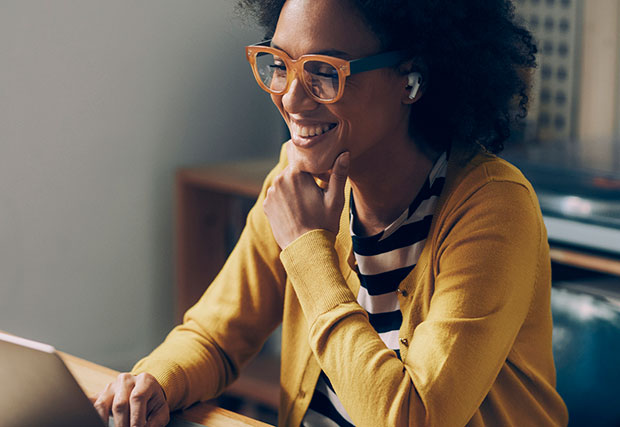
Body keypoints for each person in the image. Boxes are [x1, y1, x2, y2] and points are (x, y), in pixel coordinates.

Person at [93, 0, 569, 425]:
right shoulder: (297, 178)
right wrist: (154, 380)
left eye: (323, 71)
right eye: (279, 64)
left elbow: (411, 418)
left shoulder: (492, 207)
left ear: (411, 78)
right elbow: (216, 336)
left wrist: (308, 251)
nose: (291, 100)